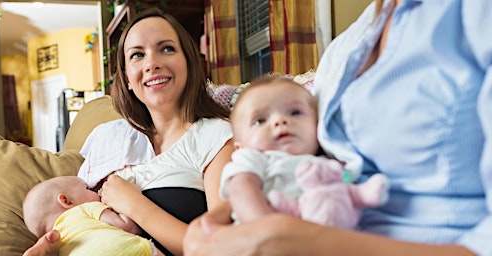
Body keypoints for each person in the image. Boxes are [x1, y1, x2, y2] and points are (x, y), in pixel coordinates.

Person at [183, 0, 492, 255]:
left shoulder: (474, 15)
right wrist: (215, 223)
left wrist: (299, 241)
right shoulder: (347, 46)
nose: (280, 122)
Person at [24, 7, 234, 256]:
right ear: (126, 79)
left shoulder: (216, 137)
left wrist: (134, 205)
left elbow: (221, 247)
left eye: (166, 49)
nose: (152, 63)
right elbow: (70, 218)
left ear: (188, 61)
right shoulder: (106, 138)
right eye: (137, 55)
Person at [220, 76, 388, 227]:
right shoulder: (254, 157)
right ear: (240, 148)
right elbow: (241, 191)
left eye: (295, 112)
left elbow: (347, 181)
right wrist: (269, 229)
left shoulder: (327, 162)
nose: (280, 121)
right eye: (260, 121)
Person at [23, 176, 162, 256]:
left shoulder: (57, 249)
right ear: (66, 201)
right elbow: (129, 227)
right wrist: (132, 194)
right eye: (88, 189)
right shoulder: (84, 209)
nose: (98, 192)